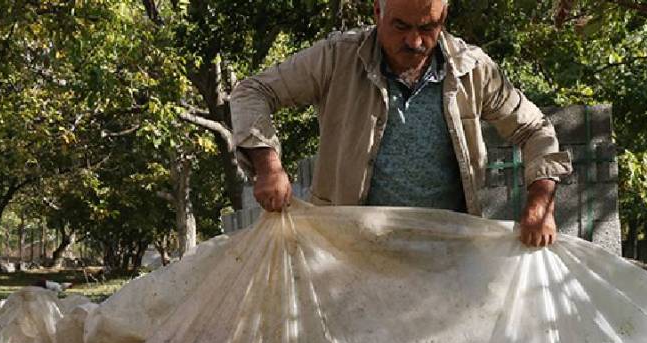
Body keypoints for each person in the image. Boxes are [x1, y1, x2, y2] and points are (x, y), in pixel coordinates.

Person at [229, 0, 572, 247]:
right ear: (377, 11)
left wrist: (540, 205)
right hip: (352, 253)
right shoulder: (338, 57)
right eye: (401, 26)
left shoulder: (472, 69)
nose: (415, 41)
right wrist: (267, 163)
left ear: (445, 15)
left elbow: (534, 129)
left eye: (428, 28)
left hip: (448, 253)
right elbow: (252, 90)